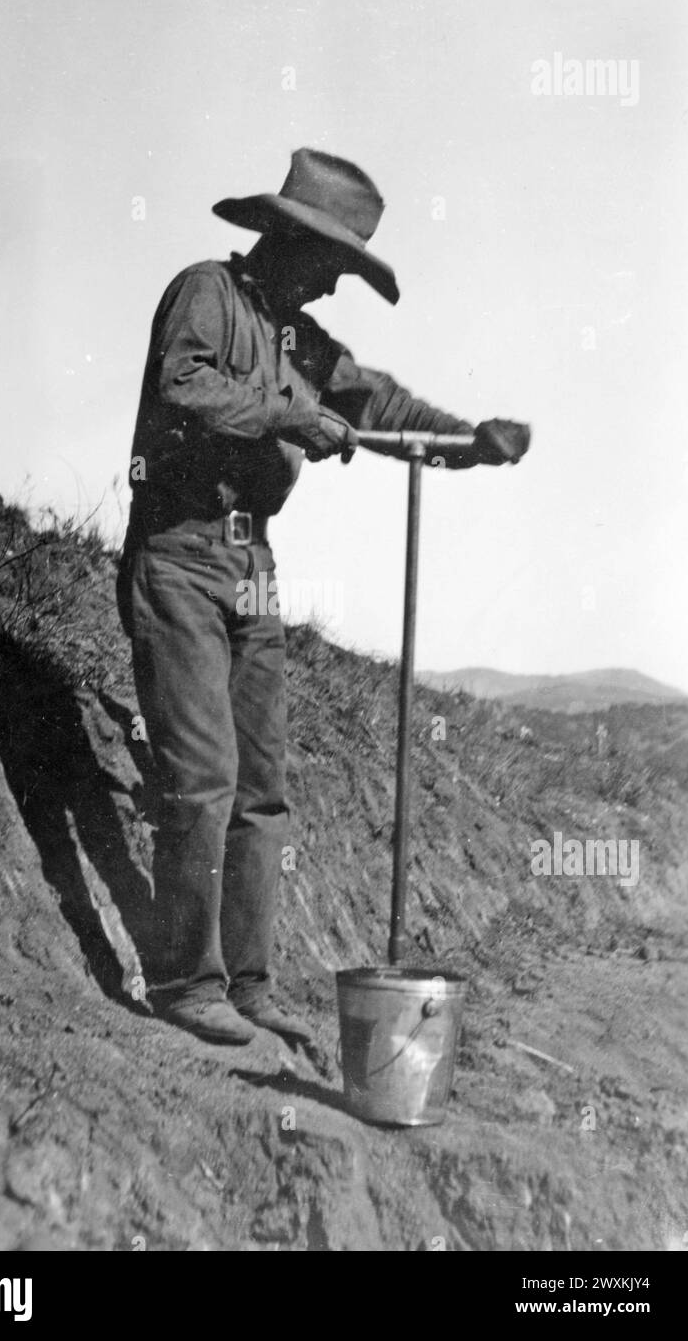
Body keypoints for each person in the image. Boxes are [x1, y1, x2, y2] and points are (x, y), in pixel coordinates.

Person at [117, 148, 529, 1046]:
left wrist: (469, 439)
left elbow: (373, 400)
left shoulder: (303, 338)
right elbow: (181, 387)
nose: (336, 288)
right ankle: (187, 983)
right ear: (288, 241)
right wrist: (286, 417)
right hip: (180, 551)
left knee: (262, 789)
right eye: (334, 266)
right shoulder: (204, 293)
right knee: (201, 778)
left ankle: (249, 984)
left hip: (251, 566)